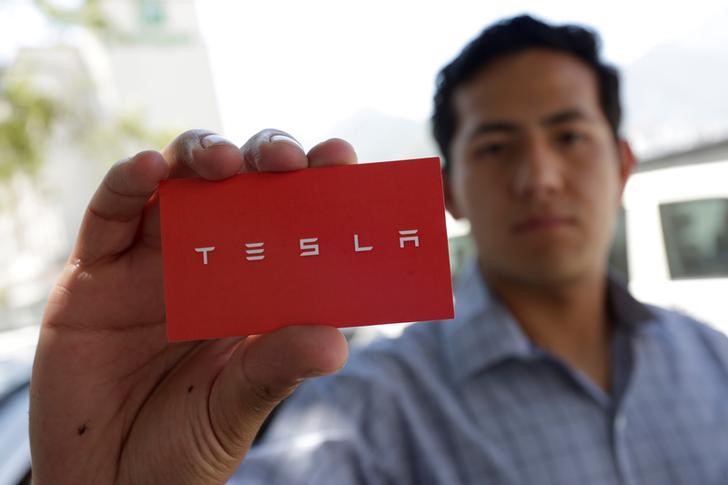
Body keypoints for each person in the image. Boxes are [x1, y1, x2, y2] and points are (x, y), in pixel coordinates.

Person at [29, 15, 728, 485]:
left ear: (624, 163)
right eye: (495, 145)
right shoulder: (370, 406)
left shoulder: (714, 360)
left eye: (570, 136)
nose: (539, 175)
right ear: (448, 190)